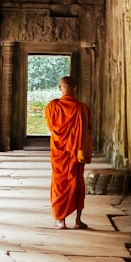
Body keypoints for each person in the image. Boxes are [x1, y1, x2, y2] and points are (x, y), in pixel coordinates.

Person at [44, 75, 91, 229]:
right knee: (77, 184)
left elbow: (51, 127)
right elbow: (87, 128)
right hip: (75, 153)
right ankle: (78, 221)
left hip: (59, 153)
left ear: (60, 88)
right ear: (75, 88)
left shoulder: (53, 106)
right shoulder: (82, 108)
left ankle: (61, 220)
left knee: (59, 185)